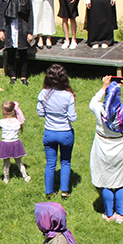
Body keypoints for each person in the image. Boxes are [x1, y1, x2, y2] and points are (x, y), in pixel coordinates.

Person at [89, 75, 123, 223]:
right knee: (120, 182)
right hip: (121, 149)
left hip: (102, 149)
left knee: (106, 182)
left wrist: (104, 87)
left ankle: (109, 214)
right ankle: (120, 214)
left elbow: (94, 100)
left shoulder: (98, 109)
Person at [37, 64, 77, 198]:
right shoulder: (68, 95)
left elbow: (40, 113)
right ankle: (64, 191)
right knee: (65, 161)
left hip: (49, 132)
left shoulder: (43, 93)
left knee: (50, 163)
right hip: (65, 133)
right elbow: (73, 117)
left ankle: (49, 192)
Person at [0, 0, 34, 86]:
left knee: (23, 53)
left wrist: (30, 32)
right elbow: (1, 14)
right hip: (9, 27)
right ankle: (12, 76)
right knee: (11, 52)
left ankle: (23, 76)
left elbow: (30, 15)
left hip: (22, 27)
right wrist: (1, 29)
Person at [0, 101, 31, 184]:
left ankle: (6, 178)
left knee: (6, 163)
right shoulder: (18, 122)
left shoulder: (2, 122)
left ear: (4, 112)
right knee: (19, 162)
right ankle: (25, 176)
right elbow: (20, 125)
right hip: (15, 143)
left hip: (5, 143)